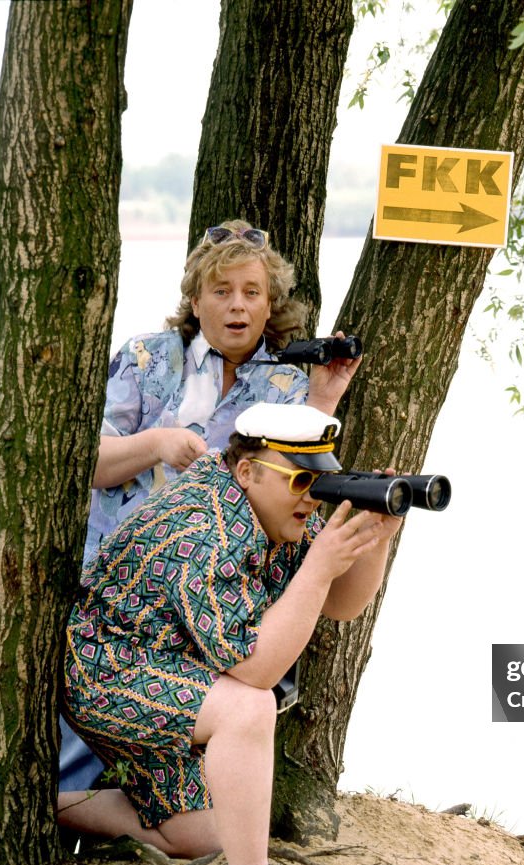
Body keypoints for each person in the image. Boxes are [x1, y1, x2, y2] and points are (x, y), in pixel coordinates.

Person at [58, 403, 402, 865]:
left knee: (214, 837)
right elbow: (258, 670)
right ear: (248, 472)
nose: (314, 496)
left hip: (176, 674)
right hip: (106, 671)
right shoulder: (201, 528)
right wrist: (317, 566)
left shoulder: (273, 501)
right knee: (248, 706)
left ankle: (51, 807)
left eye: (323, 481)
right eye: (302, 481)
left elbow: (342, 606)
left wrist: (375, 537)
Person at [60, 221, 359, 790]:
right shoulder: (148, 359)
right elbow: (84, 462)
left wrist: (322, 398)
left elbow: (297, 488)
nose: (237, 305)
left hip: (213, 596)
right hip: (121, 591)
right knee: (77, 754)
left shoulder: (286, 388)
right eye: (221, 291)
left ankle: (169, 822)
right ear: (195, 300)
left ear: (270, 304)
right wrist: (157, 443)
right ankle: (65, 819)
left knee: (201, 741)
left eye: (251, 292)